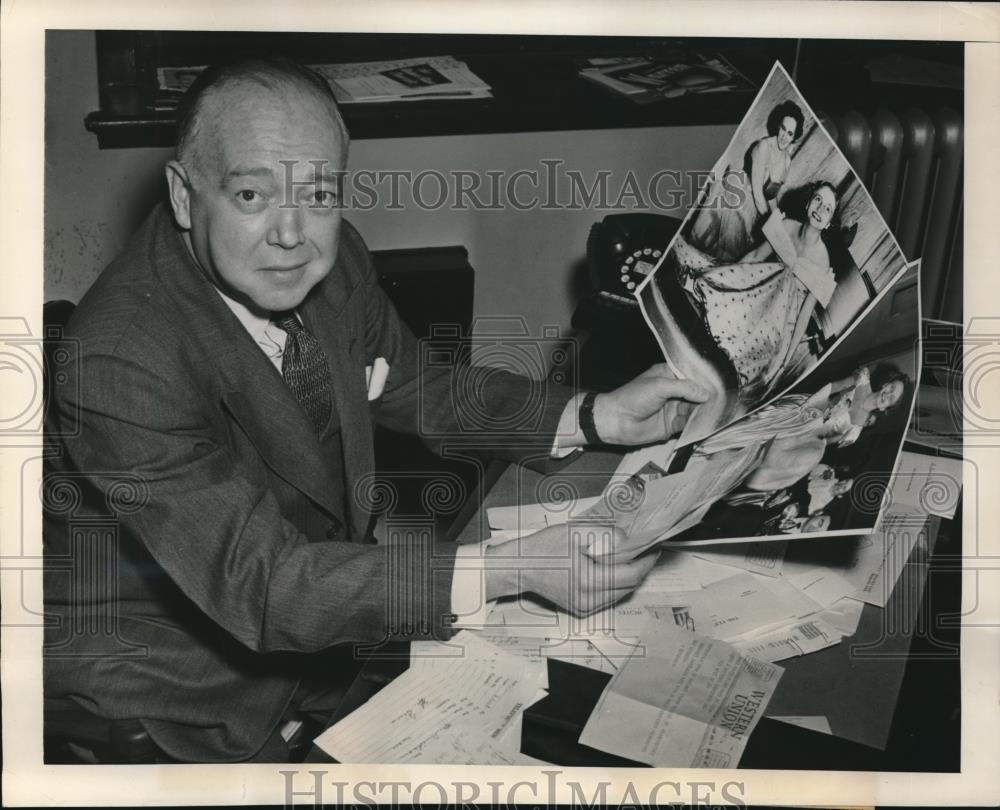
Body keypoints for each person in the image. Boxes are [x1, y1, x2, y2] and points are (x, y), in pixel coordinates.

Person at [42, 57, 710, 764]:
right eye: (250, 195)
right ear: (184, 196)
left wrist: (599, 415)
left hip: (329, 593)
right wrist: (505, 570)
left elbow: (417, 384)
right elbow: (265, 589)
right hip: (188, 675)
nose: (293, 232)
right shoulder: (121, 361)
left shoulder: (329, 260)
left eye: (321, 194)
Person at [675, 180, 840, 400]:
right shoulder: (787, 225)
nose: (820, 209)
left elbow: (803, 317)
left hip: (782, 318)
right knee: (769, 273)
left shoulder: (824, 263)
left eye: (827, 208)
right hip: (761, 288)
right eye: (818, 200)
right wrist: (725, 276)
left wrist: (784, 361)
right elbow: (755, 258)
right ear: (809, 202)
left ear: (829, 222)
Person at [689, 100, 805, 261]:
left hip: (758, 207)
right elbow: (757, 191)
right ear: (778, 126)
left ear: (795, 137)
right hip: (740, 196)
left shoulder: (787, 161)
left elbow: (771, 196)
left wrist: (778, 219)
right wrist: (770, 224)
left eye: (790, 133)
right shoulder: (763, 147)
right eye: (783, 129)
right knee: (726, 252)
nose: (784, 136)